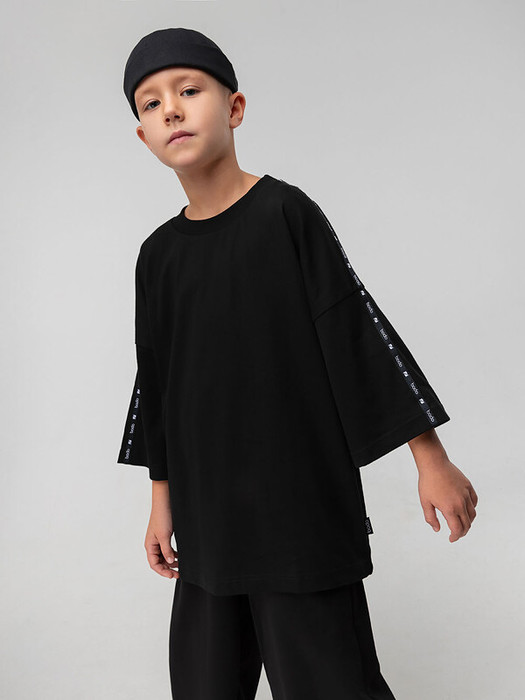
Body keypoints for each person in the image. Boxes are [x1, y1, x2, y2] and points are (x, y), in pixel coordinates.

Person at [117, 27, 478, 700]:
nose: (171, 110)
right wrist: (160, 503)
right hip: (208, 522)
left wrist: (430, 458)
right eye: (151, 103)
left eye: (188, 90)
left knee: (330, 685)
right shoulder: (157, 256)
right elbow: (158, 384)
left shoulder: (285, 214)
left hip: (300, 516)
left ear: (234, 108)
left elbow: (353, 331)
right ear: (143, 136)